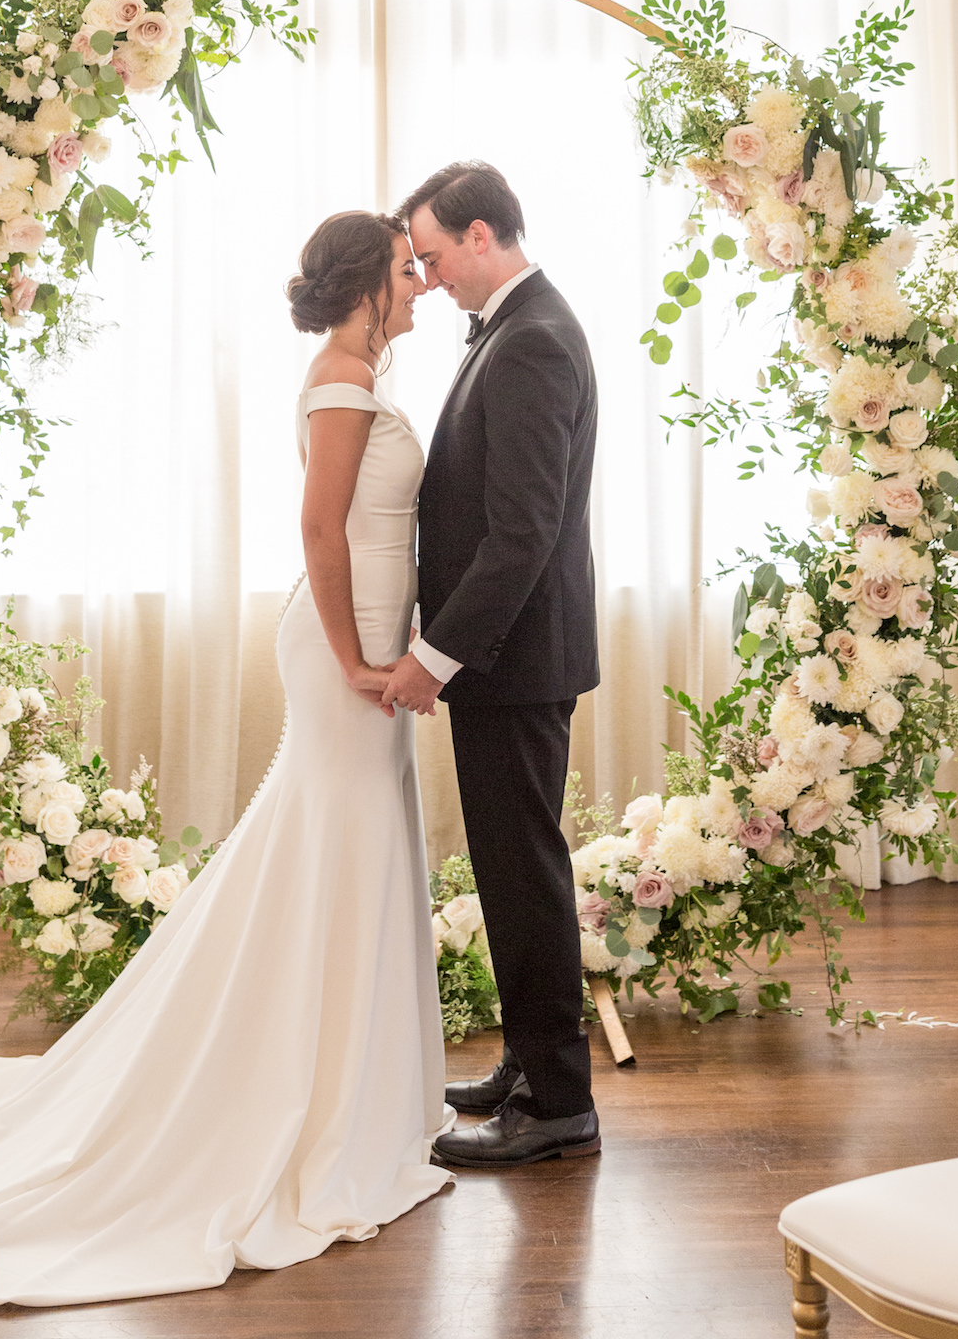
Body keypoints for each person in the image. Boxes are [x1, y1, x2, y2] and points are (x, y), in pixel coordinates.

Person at [0, 211, 452, 1305]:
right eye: (406, 272)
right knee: (340, 855)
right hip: (343, 653)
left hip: (367, 647)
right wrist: (361, 658)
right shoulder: (340, 382)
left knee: (346, 856)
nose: (420, 286)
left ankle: (351, 1087)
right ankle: (312, 1098)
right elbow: (317, 533)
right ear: (364, 283)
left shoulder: (359, 368)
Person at [384, 161, 602, 1169]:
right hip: (508, 660)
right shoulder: (520, 330)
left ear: (482, 235)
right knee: (514, 873)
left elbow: (519, 535)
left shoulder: (533, 343)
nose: (426, 280)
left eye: (431, 256)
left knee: (527, 875)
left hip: (511, 659)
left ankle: (560, 1102)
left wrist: (432, 656)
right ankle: (528, 1060)